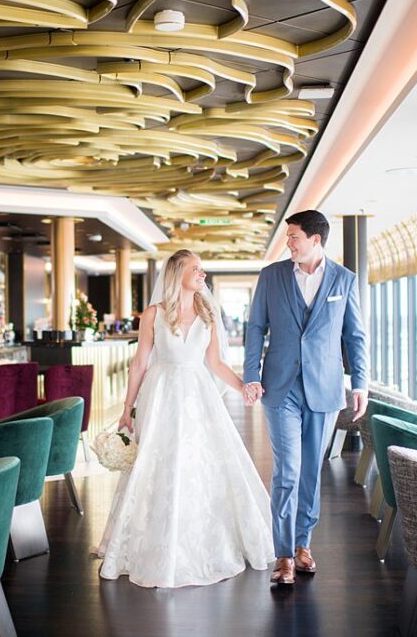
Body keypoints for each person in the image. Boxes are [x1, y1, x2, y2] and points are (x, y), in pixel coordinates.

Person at [97, 249, 274, 588]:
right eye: (196, 269)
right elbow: (139, 364)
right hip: (161, 396)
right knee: (157, 466)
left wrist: (244, 388)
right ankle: (151, 543)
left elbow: (217, 364)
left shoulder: (208, 315)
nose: (202, 275)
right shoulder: (153, 314)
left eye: (203, 269)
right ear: (178, 273)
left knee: (199, 466)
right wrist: (126, 409)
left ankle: (200, 541)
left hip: (198, 396)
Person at [243, 210, 369, 585]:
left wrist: (360, 382)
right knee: (287, 471)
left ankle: (303, 545)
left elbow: (355, 336)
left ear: (316, 239)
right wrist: (251, 375)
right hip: (280, 388)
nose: (288, 243)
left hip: (325, 388)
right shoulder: (271, 276)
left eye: (294, 237)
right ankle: (282, 554)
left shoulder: (344, 280)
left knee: (311, 471)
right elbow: (255, 329)